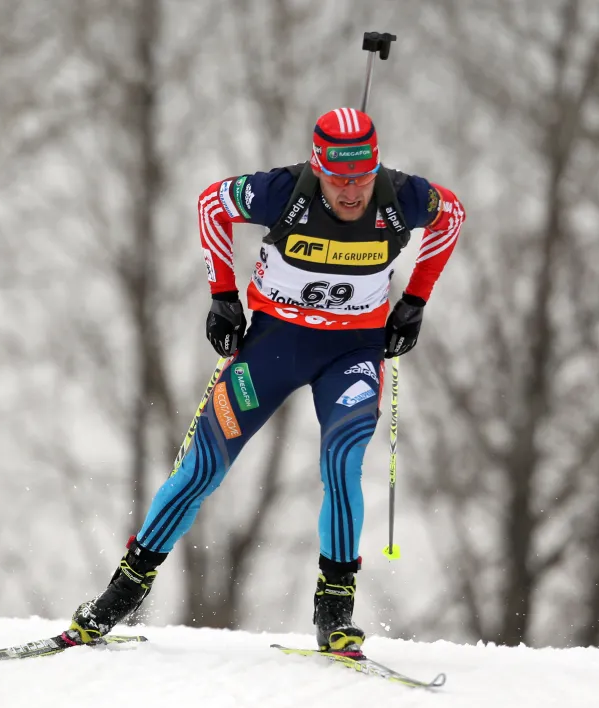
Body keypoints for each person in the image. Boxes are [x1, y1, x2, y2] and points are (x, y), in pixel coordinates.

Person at [64, 107, 466, 654]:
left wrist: (415, 300)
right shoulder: (283, 191)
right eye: (339, 179)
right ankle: (121, 594)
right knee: (203, 466)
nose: (352, 193)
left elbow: (453, 215)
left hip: (352, 354)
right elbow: (211, 203)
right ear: (319, 168)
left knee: (343, 461)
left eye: (362, 178)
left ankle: (335, 609)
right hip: (273, 350)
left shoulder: (402, 197)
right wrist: (223, 296)